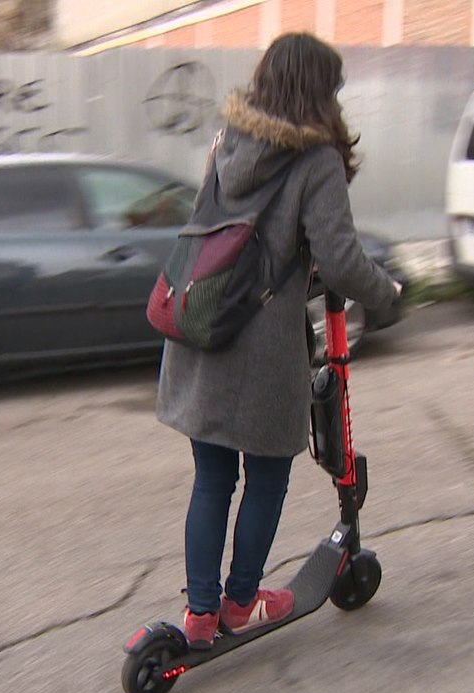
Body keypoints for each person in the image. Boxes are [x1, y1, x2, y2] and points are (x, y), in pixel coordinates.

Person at [156, 33, 402, 650]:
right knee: (266, 476)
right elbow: (343, 261)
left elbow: (230, 233)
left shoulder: (227, 140)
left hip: (203, 327)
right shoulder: (314, 160)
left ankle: (201, 615)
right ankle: (241, 603)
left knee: (212, 478)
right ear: (319, 92)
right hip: (260, 346)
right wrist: (388, 293)